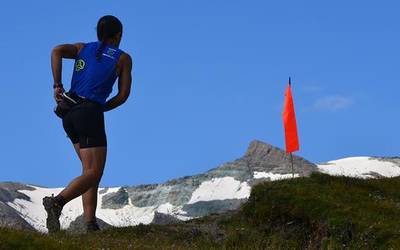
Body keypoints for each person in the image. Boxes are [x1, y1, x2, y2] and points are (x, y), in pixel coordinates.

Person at [43, 15, 132, 233]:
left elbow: (56, 50)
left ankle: (90, 224)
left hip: (68, 113)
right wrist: (100, 108)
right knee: (94, 172)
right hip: (89, 112)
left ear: (98, 34)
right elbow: (122, 96)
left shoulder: (82, 48)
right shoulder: (123, 59)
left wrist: (57, 85)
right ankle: (57, 203)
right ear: (118, 35)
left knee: (87, 170)